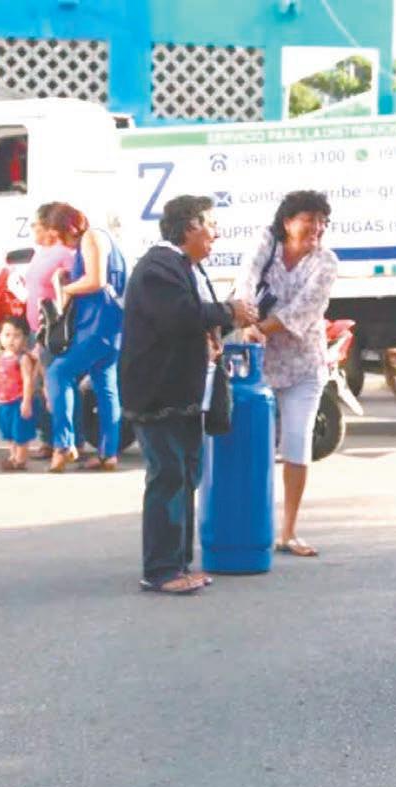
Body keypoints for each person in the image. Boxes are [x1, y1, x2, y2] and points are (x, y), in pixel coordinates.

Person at [120, 194, 257, 595]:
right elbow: (179, 318)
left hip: (186, 392)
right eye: (211, 225)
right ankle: (160, 570)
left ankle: (178, 564)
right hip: (158, 394)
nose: (216, 233)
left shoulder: (186, 267)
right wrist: (229, 312)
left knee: (185, 475)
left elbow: (197, 321)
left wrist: (225, 323)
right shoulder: (158, 268)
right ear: (190, 227)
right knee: (168, 477)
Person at [236, 190, 338, 558]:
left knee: (296, 443)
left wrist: (259, 328)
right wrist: (246, 317)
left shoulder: (326, 262)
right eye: (308, 219)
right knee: (251, 446)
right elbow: (246, 278)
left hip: (303, 366)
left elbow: (302, 311)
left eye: (322, 221)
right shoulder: (267, 244)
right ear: (287, 222)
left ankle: (289, 531)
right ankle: (249, 524)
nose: (316, 228)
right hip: (258, 363)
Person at [44, 205, 125, 473]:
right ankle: (108, 453)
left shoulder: (92, 237)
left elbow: (96, 280)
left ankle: (64, 445)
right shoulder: (104, 238)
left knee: (58, 373)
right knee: (105, 384)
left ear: (68, 228)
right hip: (112, 323)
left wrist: (66, 288)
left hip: (97, 324)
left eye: (59, 236)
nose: (61, 243)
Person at [23, 202, 76, 460]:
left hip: (53, 330)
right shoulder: (40, 253)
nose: (32, 229)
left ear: (48, 228)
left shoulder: (64, 254)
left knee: (55, 386)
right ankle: (48, 438)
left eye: (35, 225)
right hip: (37, 328)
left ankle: (66, 441)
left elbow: (69, 288)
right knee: (40, 386)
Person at [0, 316, 37, 472]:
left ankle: (20, 459)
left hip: (18, 400)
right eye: (7, 335)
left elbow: (28, 380)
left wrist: (26, 401)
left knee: (21, 433)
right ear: (0, 336)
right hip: (4, 401)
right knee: (9, 433)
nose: (11, 339)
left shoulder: (22, 358)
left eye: (17, 335)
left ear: (24, 338)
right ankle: (13, 455)